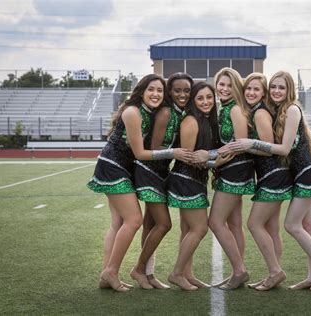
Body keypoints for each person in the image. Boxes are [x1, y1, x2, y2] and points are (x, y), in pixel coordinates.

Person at [220, 70, 311, 291]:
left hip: (304, 172)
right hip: (294, 173)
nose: (276, 91)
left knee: (285, 224)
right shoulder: (275, 110)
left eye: (281, 87)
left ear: (289, 90)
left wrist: (248, 143)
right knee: (308, 225)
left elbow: (282, 148)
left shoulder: (290, 109)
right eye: (274, 87)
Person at [86, 74, 192, 292]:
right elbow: (141, 153)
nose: (155, 94)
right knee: (133, 220)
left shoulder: (152, 112)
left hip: (124, 168)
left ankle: (106, 275)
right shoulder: (133, 112)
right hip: (113, 167)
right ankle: (111, 272)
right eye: (151, 89)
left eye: (159, 91)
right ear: (141, 91)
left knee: (117, 224)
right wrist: (175, 152)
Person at [167, 82, 233, 290]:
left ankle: (188, 274)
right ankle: (177, 273)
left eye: (209, 97)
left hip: (195, 180)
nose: (206, 102)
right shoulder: (191, 120)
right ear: (194, 101)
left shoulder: (206, 120)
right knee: (199, 228)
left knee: (188, 229)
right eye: (200, 98)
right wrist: (217, 162)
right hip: (185, 180)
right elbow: (188, 157)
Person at [194, 67, 254, 290]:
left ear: (236, 87)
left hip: (236, 168)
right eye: (221, 84)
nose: (225, 88)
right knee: (234, 223)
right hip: (228, 167)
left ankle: (239, 270)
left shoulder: (236, 109)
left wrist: (209, 156)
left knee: (215, 221)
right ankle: (237, 272)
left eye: (230, 85)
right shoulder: (222, 108)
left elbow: (240, 143)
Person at [132, 73, 193, 289]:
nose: (182, 94)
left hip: (160, 172)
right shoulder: (166, 112)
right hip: (148, 171)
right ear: (169, 92)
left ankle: (148, 275)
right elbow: (155, 148)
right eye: (177, 90)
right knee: (164, 224)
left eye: (186, 90)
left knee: (150, 225)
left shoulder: (182, 112)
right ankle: (138, 269)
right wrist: (174, 152)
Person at [241, 73, 293, 290]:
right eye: (248, 89)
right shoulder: (259, 110)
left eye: (256, 89)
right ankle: (274, 273)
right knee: (271, 228)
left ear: (263, 93)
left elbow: (268, 147)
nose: (251, 93)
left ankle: (275, 271)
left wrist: (245, 145)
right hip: (273, 175)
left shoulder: (260, 112)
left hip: (273, 175)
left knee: (254, 224)